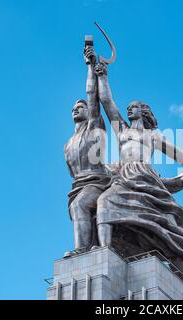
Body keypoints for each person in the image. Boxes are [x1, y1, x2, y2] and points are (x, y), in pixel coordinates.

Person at [93, 61, 183, 276]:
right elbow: (106, 101)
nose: (129, 108)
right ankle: (103, 252)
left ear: (144, 112)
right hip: (124, 176)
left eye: (135, 106)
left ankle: (181, 276)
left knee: (163, 226)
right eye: (129, 106)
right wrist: (102, 75)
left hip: (146, 178)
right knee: (104, 202)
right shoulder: (121, 128)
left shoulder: (153, 136)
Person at [63, 46, 111, 256]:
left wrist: (90, 66)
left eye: (80, 107)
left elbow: (92, 94)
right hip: (79, 184)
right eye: (73, 108)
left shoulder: (94, 127)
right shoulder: (68, 143)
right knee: (77, 206)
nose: (76, 109)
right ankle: (88, 246)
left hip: (98, 182)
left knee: (80, 205)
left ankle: (80, 250)